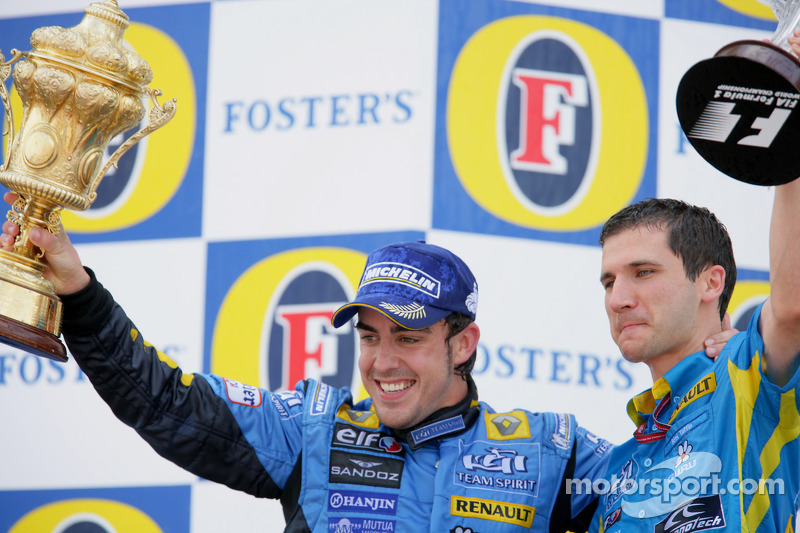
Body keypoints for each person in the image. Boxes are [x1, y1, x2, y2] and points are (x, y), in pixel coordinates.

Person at [0, 191, 736, 531]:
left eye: (409, 337)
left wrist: (719, 380)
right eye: (370, 334)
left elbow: (670, 495)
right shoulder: (312, 430)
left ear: (463, 344)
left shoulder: (548, 449)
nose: (383, 360)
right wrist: (77, 289)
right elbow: (162, 401)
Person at [588, 186, 800, 530]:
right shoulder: (618, 466)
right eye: (609, 282)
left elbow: (791, 310)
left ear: (710, 283)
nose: (618, 300)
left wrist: (788, 166)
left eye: (643, 272)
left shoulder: (741, 373)